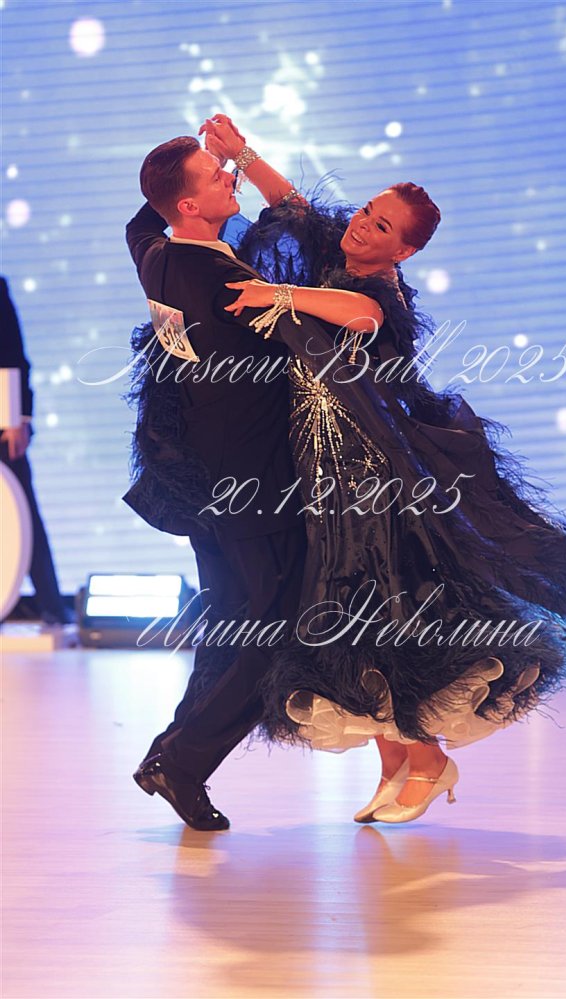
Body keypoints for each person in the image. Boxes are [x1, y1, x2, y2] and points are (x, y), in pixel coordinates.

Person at [194, 116, 566, 824]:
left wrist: (279, 295)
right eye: (367, 212)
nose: (362, 227)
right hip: (322, 464)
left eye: (382, 228)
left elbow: (359, 314)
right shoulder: (341, 248)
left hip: (371, 475)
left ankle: (429, 759)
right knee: (343, 610)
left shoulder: (382, 295)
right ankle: (401, 766)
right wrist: (244, 154)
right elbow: (294, 205)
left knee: (376, 606)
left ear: (403, 251)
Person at [123, 136, 346, 830]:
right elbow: (321, 297)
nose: (227, 176)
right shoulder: (232, 287)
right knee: (278, 631)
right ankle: (183, 761)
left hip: (202, 481)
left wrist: (178, 175)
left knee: (228, 626)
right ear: (188, 206)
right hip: (254, 486)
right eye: (212, 174)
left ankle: (172, 753)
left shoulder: (156, 257)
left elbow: (141, 220)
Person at [0, 276, 71, 626]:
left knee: (22, 513)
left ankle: (52, 607)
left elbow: (14, 356)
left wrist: (19, 417)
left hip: (2, 423)